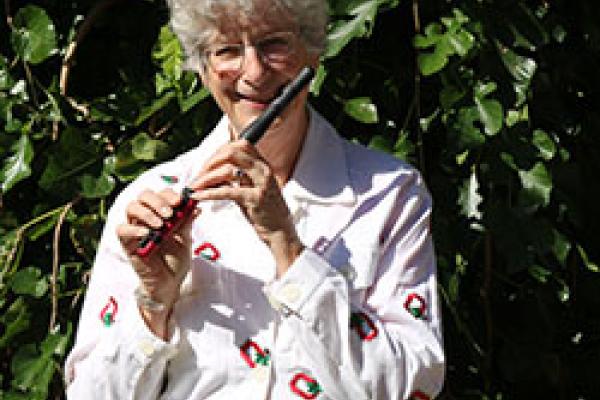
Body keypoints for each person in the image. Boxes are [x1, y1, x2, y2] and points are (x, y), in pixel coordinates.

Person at [64, 0, 445, 398]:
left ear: (313, 52)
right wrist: (153, 303)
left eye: (274, 44)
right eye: (227, 50)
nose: (254, 72)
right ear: (203, 68)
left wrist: (289, 249)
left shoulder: (389, 194)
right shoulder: (150, 200)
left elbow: (412, 386)